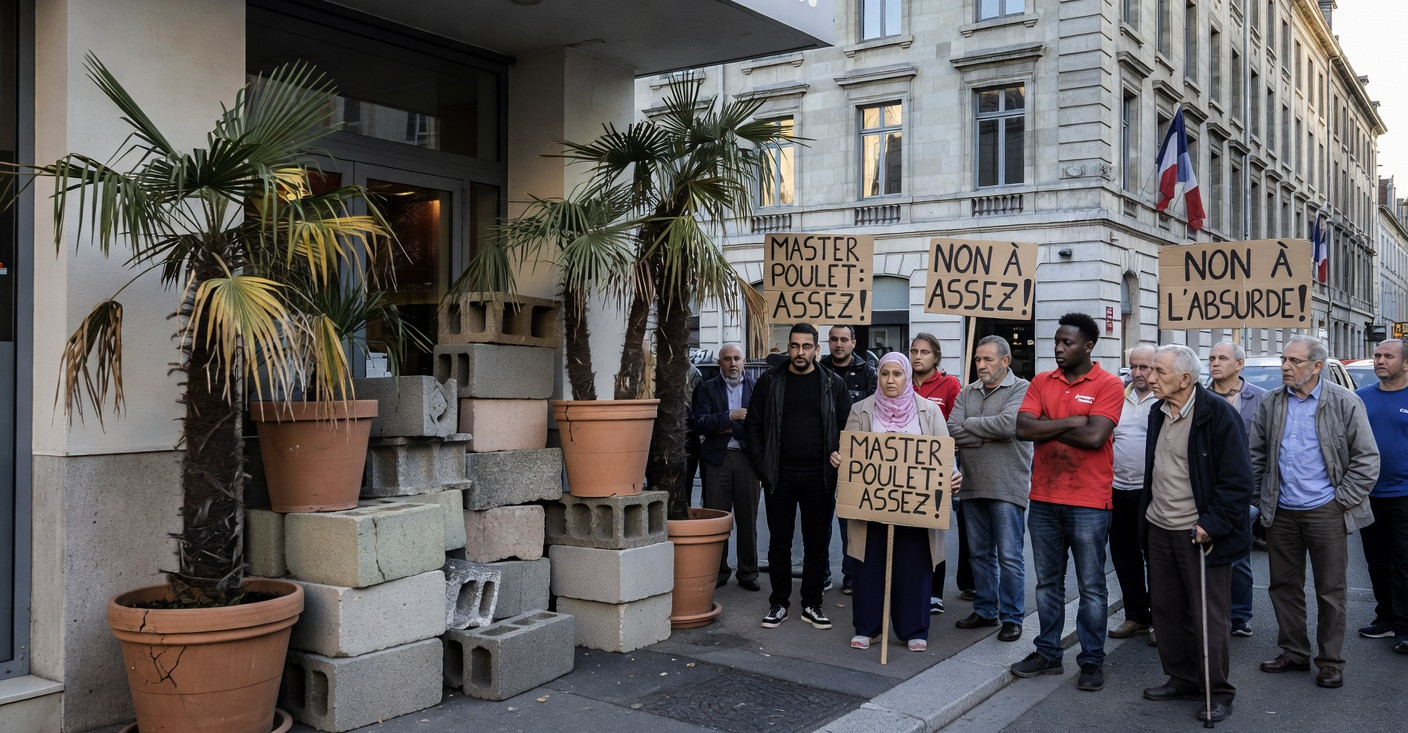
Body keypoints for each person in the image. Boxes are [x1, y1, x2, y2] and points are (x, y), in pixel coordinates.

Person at [1249, 335, 1379, 689]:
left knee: (1330, 590)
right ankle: (1293, 652)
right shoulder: (1273, 402)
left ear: (1317, 366)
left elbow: (1367, 459)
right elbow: (1256, 454)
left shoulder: (1344, 402)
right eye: (1284, 360)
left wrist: (1341, 501)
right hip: (1282, 510)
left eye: (1294, 361)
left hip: (1327, 510)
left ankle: (1330, 661)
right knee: (1283, 586)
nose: (1285, 367)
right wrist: (1262, 499)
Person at [1009, 312, 1123, 692]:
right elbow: (1023, 428)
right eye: (1056, 342)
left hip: (1089, 500)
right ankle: (1048, 653)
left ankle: (1091, 660)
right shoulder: (1042, 381)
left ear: (1088, 346)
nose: (1058, 349)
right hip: (1043, 496)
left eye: (1067, 343)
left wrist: (1051, 427)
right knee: (1047, 583)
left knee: (1091, 586)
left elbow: (1095, 439)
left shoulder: (1108, 384)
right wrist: (1075, 420)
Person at [1139, 345, 1253, 724]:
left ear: (1185, 379)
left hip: (1199, 533)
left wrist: (1212, 524)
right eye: (1151, 370)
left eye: (1159, 372)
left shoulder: (1217, 414)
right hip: (1159, 526)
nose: (1149, 377)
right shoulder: (1158, 411)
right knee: (1167, 611)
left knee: (1209, 616)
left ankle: (1217, 691)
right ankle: (1182, 678)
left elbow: (1238, 482)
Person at [831, 352, 961, 652]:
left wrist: (954, 477)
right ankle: (867, 626)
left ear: (907, 376)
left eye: (897, 374)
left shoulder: (929, 411)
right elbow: (849, 452)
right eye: (885, 374)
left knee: (914, 567)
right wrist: (840, 458)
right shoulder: (861, 410)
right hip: (871, 508)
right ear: (879, 377)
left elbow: (944, 456)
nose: (891, 380)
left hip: (916, 509)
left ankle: (913, 627)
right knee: (868, 566)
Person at [744, 323, 852, 630]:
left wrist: (839, 455)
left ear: (817, 349)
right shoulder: (771, 381)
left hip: (820, 476)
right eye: (794, 346)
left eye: (806, 346)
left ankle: (812, 604)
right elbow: (752, 427)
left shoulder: (832, 383)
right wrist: (762, 465)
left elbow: (848, 428)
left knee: (816, 544)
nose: (799, 352)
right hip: (780, 476)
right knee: (780, 542)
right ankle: (778, 603)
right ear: (788, 347)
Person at [947, 335, 1032, 642]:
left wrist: (971, 426)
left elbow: (1010, 426)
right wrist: (986, 432)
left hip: (1007, 485)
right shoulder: (967, 391)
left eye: (988, 360)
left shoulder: (1022, 388)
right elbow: (950, 429)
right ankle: (985, 610)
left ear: (1005, 361)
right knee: (980, 555)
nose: (980, 365)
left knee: (1010, 556)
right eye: (978, 360)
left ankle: (1012, 616)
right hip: (971, 484)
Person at [1207, 339, 1268, 638]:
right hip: (1206, 488)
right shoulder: (1199, 397)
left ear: (1239, 364)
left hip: (1243, 490)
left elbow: (1269, 448)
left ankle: (1240, 615)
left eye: (1222, 358)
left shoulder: (1261, 399)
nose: (1215, 363)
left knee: (1239, 555)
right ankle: (1209, 611)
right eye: (1211, 358)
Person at [690, 345, 761, 591]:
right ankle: (718, 571)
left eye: (737, 358)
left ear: (744, 362)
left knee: (747, 518)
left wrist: (721, 426)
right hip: (717, 461)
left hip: (746, 460)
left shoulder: (756, 388)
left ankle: (748, 572)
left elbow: (758, 426)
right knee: (716, 519)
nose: (732, 363)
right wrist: (731, 416)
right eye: (727, 359)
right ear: (719, 363)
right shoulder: (707, 388)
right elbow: (700, 423)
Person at [911, 332, 972, 612]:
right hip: (905, 465)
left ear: (936, 356)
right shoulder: (901, 380)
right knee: (909, 529)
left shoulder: (950, 385)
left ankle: (935, 593)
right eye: (914, 351)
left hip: (937, 465)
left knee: (934, 527)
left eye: (924, 352)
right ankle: (910, 586)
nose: (918, 357)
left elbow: (956, 425)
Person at [1355, 338, 1408, 654]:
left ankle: (1404, 627)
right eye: (1377, 355)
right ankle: (1385, 618)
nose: (1380, 360)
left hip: (1405, 494)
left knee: (1403, 561)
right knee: (1376, 561)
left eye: (1388, 356)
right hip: (1369, 494)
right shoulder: (1360, 399)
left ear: (1405, 363)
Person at [821, 325, 879, 595]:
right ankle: (820, 574)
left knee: (851, 521)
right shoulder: (818, 368)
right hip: (821, 455)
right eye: (834, 339)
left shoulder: (868, 372)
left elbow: (874, 413)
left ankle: (851, 575)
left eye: (844, 339)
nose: (839, 344)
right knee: (819, 519)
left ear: (854, 343)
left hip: (854, 458)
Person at [1107, 343, 1158, 642]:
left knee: (1156, 558)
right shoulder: (1118, 396)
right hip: (1117, 490)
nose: (1138, 374)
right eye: (1133, 367)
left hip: (1151, 493)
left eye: (1145, 367)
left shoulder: (1163, 399)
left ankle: (1160, 621)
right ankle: (1136, 616)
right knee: (1124, 557)